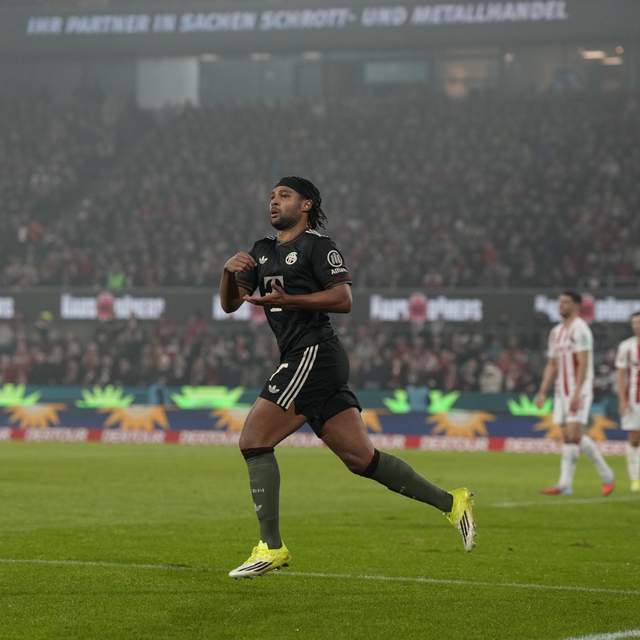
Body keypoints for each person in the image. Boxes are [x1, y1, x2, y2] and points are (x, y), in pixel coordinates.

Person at [219, 176, 475, 579]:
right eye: (271, 196)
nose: (274, 202)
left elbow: (343, 299)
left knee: (253, 440)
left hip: (314, 354)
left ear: (306, 205)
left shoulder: (318, 247)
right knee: (362, 459)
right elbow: (231, 304)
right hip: (307, 358)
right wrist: (226, 272)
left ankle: (271, 547)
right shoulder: (262, 250)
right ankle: (452, 502)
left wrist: (291, 300)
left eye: (284, 195)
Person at [535, 291, 615, 496]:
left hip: (578, 389)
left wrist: (577, 392)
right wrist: (542, 391)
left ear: (577, 306)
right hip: (560, 390)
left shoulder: (581, 330)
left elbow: (584, 363)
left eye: (566, 302)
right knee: (569, 437)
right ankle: (598, 477)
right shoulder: (555, 332)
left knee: (573, 435)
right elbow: (552, 364)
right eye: (560, 302)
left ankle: (568, 483)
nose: (561, 305)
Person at [614, 311, 640, 492]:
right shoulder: (626, 346)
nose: (637, 326)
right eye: (634, 323)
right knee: (634, 439)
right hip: (633, 399)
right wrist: (622, 400)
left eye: (639, 322)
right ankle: (635, 478)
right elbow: (621, 375)